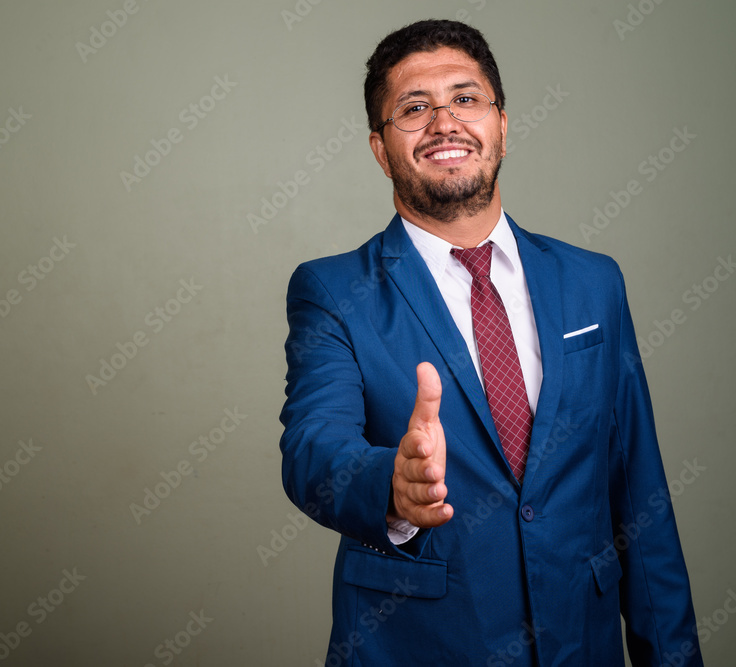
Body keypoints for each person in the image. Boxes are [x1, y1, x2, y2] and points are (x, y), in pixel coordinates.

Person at [278, 19, 702, 666]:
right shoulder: (334, 292)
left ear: (502, 125)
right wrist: (393, 484)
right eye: (414, 108)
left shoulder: (594, 283)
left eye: (465, 99)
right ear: (379, 147)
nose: (444, 122)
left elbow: (639, 498)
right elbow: (312, 452)